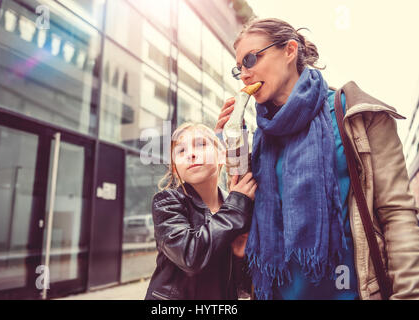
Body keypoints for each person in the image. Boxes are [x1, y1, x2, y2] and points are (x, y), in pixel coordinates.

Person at [215, 18, 419, 300]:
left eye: (251, 59)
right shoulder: (262, 135)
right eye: (239, 68)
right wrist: (230, 138)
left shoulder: (355, 115)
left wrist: (408, 295)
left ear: (289, 50)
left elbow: (397, 214)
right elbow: (242, 205)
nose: (245, 75)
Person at [145, 122, 255, 300]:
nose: (191, 154)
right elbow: (191, 256)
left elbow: (243, 289)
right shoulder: (167, 202)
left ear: (221, 156)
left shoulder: (235, 205)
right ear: (175, 168)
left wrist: (238, 256)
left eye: (201, 144)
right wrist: (236, 206)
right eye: (181, 151)